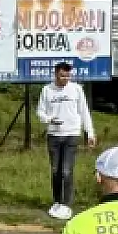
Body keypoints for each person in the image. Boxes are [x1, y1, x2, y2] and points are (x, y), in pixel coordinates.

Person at [36, 61, 96, 220]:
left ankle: (66, 204)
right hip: (54, 135)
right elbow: (40, 112)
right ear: (56, 74)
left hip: (71, 134)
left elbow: (84, 112)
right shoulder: (47, 90)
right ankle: (57, 201)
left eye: (68, 75)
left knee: (66, 171)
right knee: (55, 170)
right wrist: (49, 119)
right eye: (62, 75)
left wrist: (90, 133)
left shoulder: (76, 89)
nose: (65, 78)